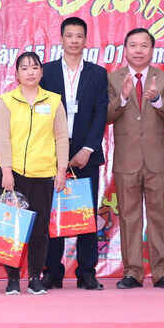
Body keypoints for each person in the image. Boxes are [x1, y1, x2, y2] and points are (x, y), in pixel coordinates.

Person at [40, 17, 108, 291]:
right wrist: (54, 152)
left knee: (85, 214)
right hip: (51, 153)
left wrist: (88, 149)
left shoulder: (97, 73)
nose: (74, 40)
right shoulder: (46, 72)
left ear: (85, 40)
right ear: (62, 38)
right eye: (69, 35)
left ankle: (87, 272)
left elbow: (100, 112)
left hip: (85, 154)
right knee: (52, 213)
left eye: (79, 36)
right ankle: (52, 271)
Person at [107, 28, 164, 289]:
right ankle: (132, 272)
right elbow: (106, 116)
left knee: (159, 216)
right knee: (129, 217)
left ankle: (162, 272)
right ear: (125, 49)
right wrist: (123, 97)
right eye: (133, 45)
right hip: (126, 160)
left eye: (144, 45)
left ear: (152, 49)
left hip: (157, 160)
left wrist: (157, 100)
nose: (138, 50)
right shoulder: (113, 79)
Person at [0, 52, 69, 295]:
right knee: (12, 229)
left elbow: (61, 137)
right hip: (14, 173)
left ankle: (35, 276)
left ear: (41, 72)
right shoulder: (6, 101)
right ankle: (13, 279)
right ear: (16, 74)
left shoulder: (54, 101)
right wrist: (6, 171)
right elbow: (2, 138)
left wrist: (61, 170)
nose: (30, 72)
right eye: (24, 68)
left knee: (40, 230)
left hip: (44, 174)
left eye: (35, 67)